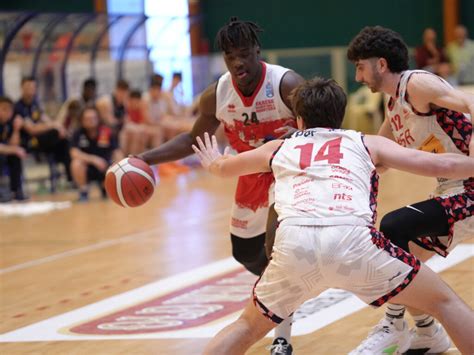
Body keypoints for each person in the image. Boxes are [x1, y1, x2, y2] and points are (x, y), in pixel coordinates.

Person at [192, 77, 474, 355]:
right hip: (353, 241)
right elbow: (443, 164)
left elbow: (225, 168)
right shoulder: (367, 143)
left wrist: (213, 161)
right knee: (444, 302)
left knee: (246, 327)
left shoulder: (279, 147)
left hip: (294, 245)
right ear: (340, 116)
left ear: (299, 120)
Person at [136, 17, 304, 353]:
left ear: (257, 51)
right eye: (231, 56)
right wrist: (143, 159)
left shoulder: (286, 83)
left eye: (244, 54)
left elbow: (325, 123)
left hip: (287, 173)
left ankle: (282, 337)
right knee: (245, 253)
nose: (238, 62)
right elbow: (192, 140)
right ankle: (286, 288)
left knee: (274, 248)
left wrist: (301, 133)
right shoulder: (217, 95)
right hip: (247, 173)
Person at [347, 25, 474, 354]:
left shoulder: (417, 84)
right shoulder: (393, 106)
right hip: (452, 188)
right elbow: (378, 160)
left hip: (470, 187)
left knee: (394, 227)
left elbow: (470, 104)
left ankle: (392, 323)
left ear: (381, 65)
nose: (358, 76)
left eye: (360, 66)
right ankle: (428, 331)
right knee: (404, 261)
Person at [14, 76, 72, 183]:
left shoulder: (35, 104)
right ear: (21, 88)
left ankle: (71, 178)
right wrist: (54, 127)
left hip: (43, 140)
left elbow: (45, 119)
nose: (30, 89)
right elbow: (32, 129)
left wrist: (59, 127)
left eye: (33, 87)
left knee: (65, 141)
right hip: (29, 142)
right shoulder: (18, 107)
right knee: (55, 133)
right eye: (27, 87)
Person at [70, 106, 122, 202]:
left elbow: (117, 151)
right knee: (76, 163)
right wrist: (94, 160)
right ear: (82, 120)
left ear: (98, 118)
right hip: (87, 168)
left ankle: (107, 187)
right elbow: (74, 152)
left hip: (106, 168)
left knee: (118, 163)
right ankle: (83, 192)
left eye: (93, 118)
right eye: (88, 119)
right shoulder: (77, 133)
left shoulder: (106, 131)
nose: (91, 121)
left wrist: (120, 167)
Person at [0, 96, 26, 201]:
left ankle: (16, 190)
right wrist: (15, 150)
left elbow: (13, 145)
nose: (7, 112)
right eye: (3, 109)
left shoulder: (8, 124)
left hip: (4, 152)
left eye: (10, 109)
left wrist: (16, 129)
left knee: (15, 156)